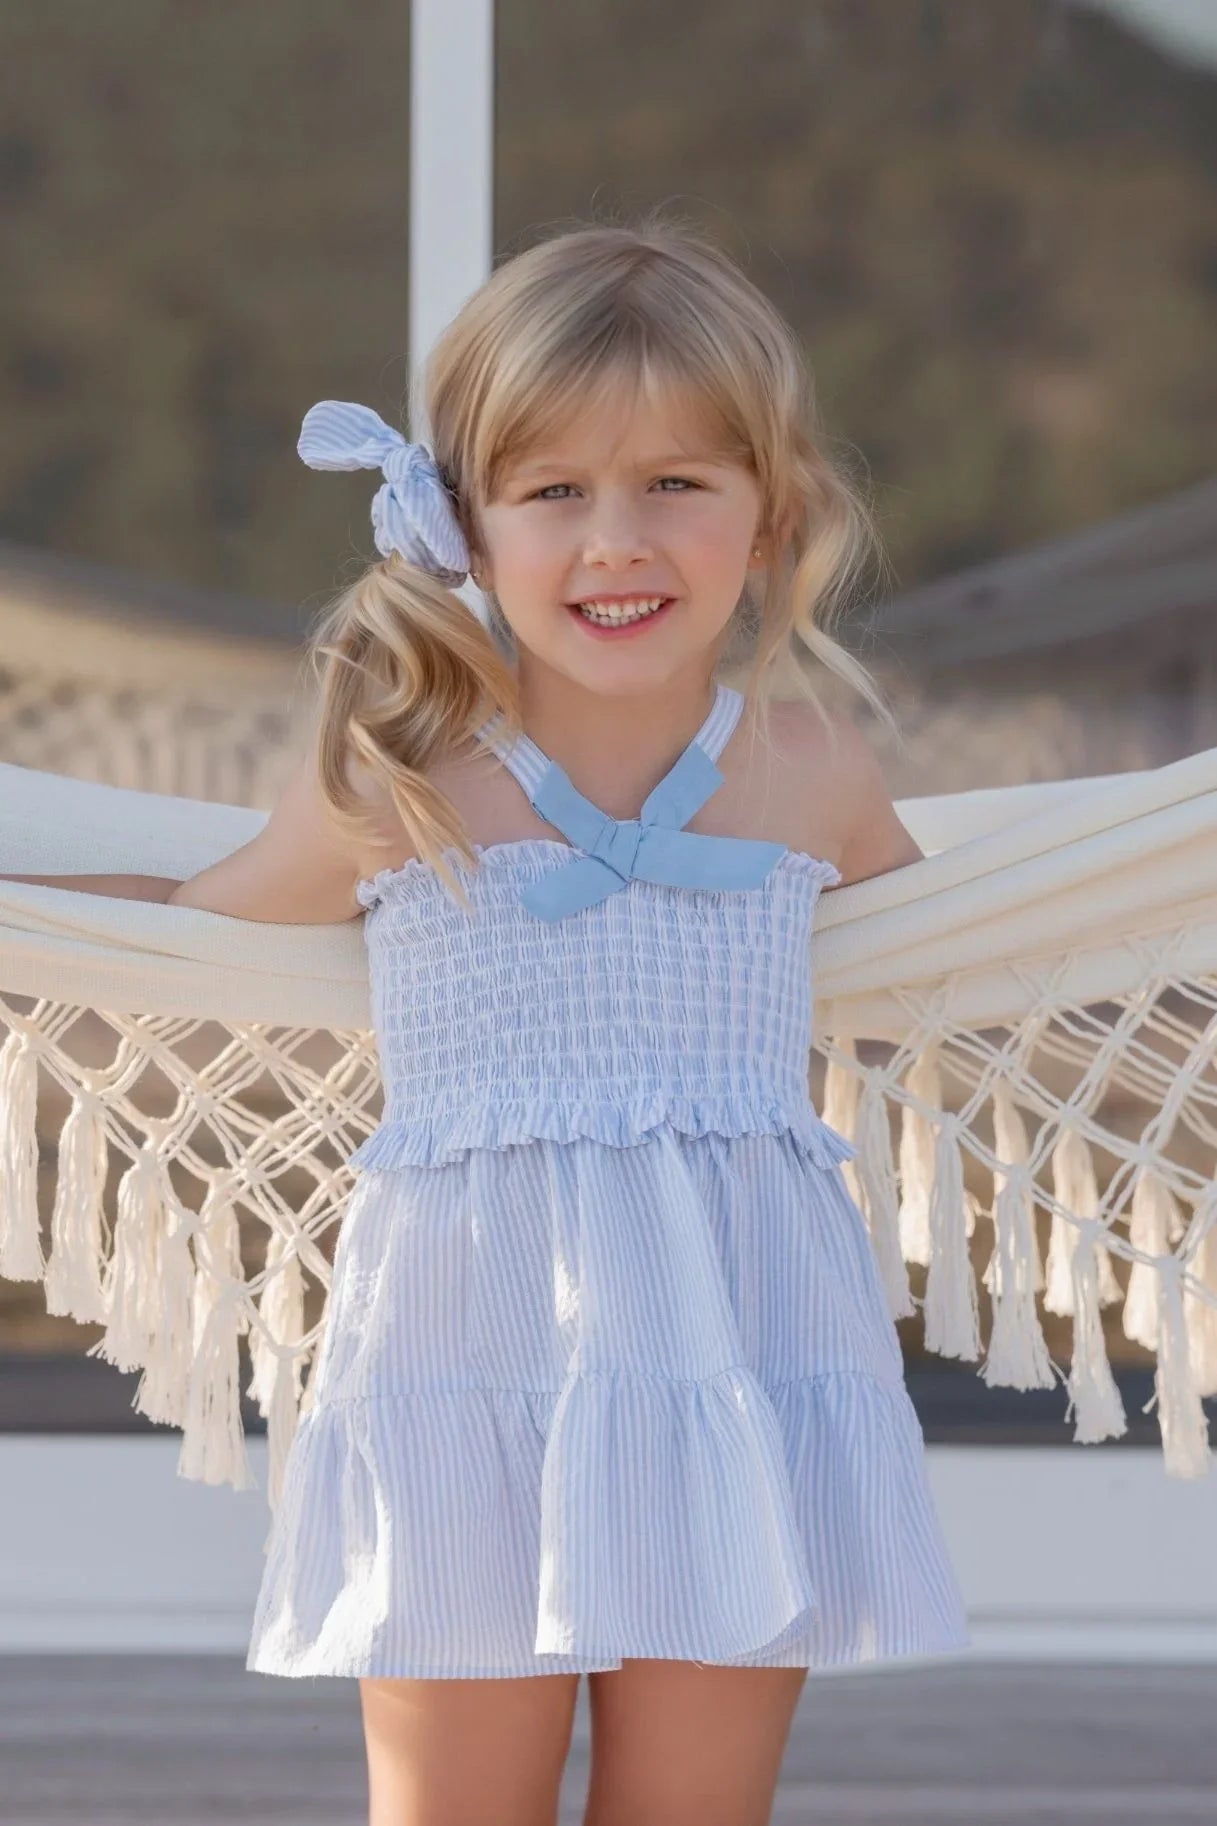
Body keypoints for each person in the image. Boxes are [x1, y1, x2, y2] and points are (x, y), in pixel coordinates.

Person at [28, 212, 973, 1825]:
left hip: (734, 1360)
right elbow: (198, 930)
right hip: (461, 1372)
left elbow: (959, 973)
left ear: (770, 513)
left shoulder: (815, 770)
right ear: (463, 523)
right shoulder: (408, 774)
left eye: (676, 482)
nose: (617, 542)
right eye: (553, 492)